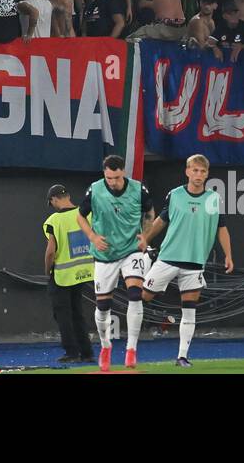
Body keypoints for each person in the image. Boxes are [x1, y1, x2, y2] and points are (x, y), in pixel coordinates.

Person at [137, 155, 232, 368]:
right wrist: (145, 239)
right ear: (187, 171)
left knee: (189, 310)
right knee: (143, 296)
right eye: (195, 171)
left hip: (195, 262)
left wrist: (228, 255)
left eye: (203, 172)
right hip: (168, 257)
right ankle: (146, 263)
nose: (199, 175)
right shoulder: (176, 195)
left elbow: (221, 227)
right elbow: (161, 221)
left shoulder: (213, 199)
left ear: (207, 174)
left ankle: (182, 356)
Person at [77, 154, 153, 371]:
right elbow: (80, 216)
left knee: (135, 295)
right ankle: (105, 346)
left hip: (131, 250)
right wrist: (92, 237)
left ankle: (131, 349)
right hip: (105, 254)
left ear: (123, 173)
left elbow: (149, 213)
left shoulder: (138, 189)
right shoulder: (95, 190)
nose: (113, 182)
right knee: (103, 305)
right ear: (105, 174)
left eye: (117, 177)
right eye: (109, 178)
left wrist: (145, 235)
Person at [44, 184, 95, 364]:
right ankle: (87, 353)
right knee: (78, 313)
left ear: (54, 199)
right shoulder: (86, 213)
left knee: (63, 315)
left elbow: (51, 251)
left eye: (52, 202)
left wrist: (47, 269)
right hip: (83, 272)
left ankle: (72, 352)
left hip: (62, 275)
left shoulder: (54, 220)